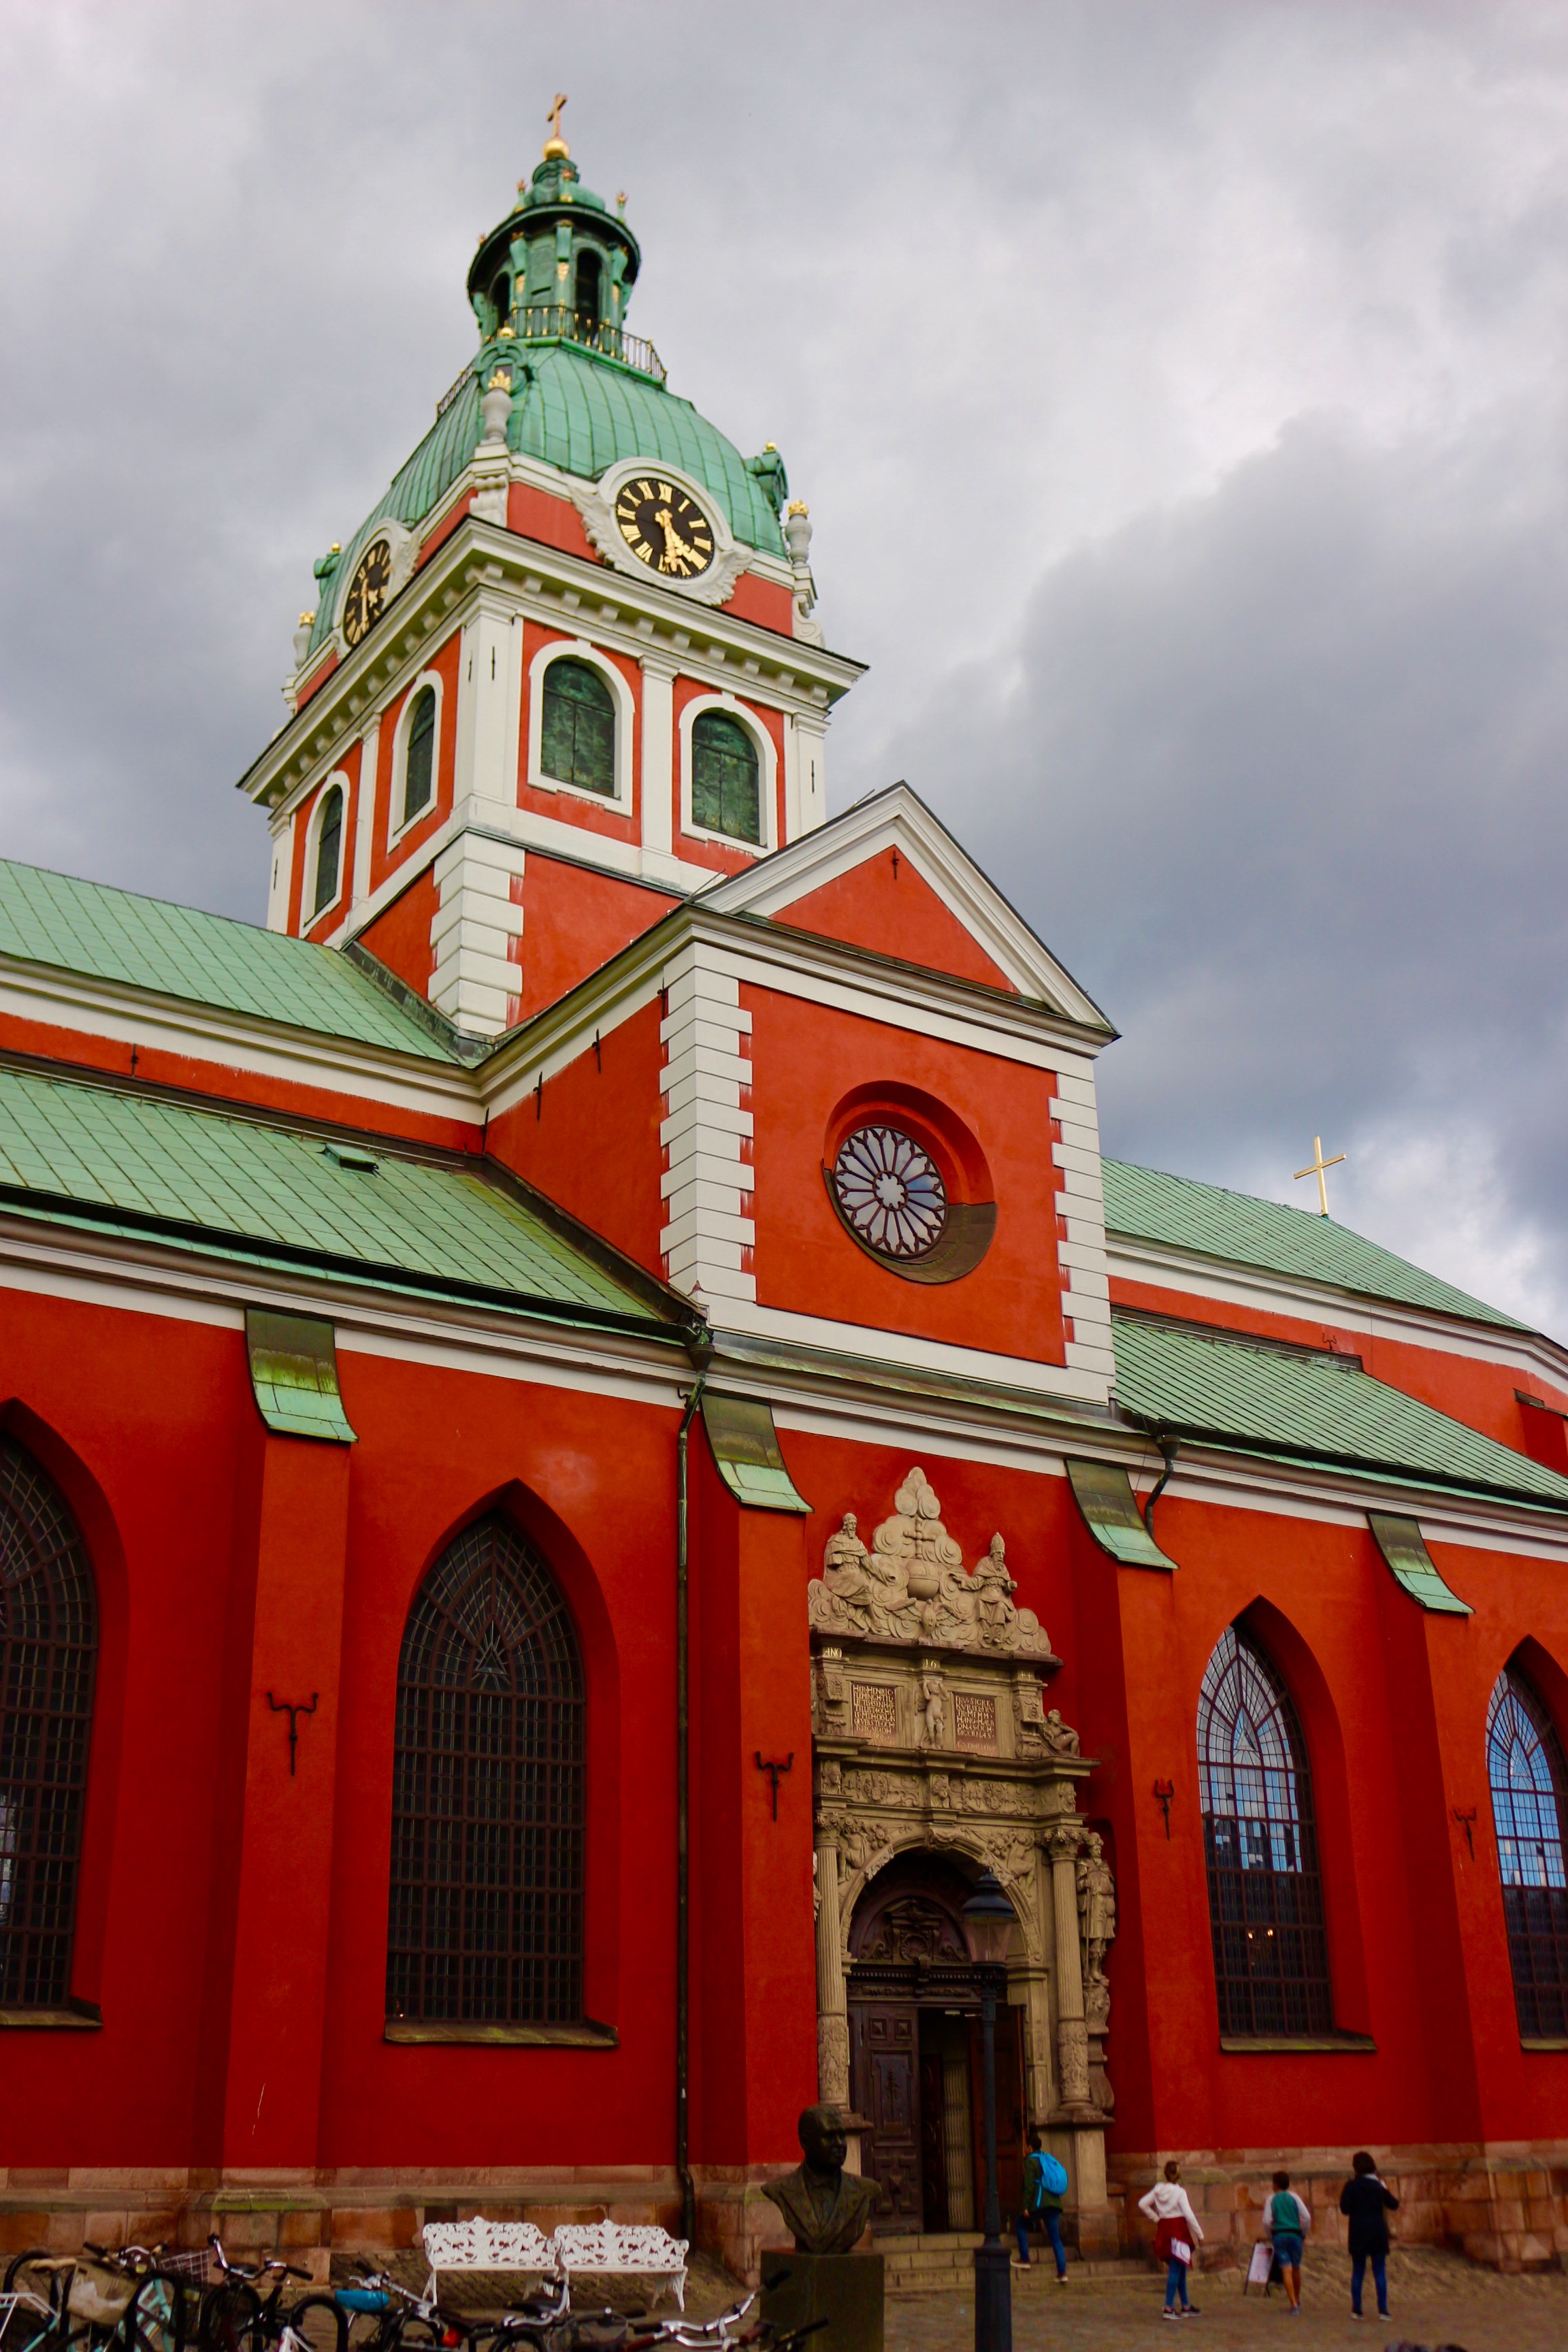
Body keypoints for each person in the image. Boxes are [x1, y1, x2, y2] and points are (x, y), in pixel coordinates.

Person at [1139, 2159, 1203, 2319]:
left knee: (1180, 2268)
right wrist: (1200, 2234)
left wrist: (1156, 2218)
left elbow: (1142, 2204)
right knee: (1176, 2269)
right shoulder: (1180, 2192)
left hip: (1165, 2229)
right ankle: (1168, 2307)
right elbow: (1189, 2215)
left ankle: (1186, 2305)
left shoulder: (1158, 2189)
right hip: (1179, 2230)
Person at [1339, 2150, 1399, 2321]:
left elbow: (1345, 2209)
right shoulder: (1378, 2186)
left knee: (1358, 2271)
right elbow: (1394, 2204)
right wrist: (1384, 2188)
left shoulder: (1351, 2186)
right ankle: (1383, 2310)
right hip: (1377, 2233)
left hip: (1358, 2233)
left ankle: (1357, 2309)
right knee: (1380, 2272)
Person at [1015, 2127, 1068, 2282]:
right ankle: (1062, 2273)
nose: (1025, 2149)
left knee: (1020, 2224)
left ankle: (1025, 2259)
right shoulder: (1047, 2158)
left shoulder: (1031, 2161)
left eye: (1026, 2146)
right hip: (1054, 2204)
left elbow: (1029, 2186)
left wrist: (1025, 2207)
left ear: (1030, 2148)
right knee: (1055, 2238)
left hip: (1040, 2203)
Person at [1265, 2170, 1311, 2315]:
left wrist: (1270, 2235)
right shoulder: (1294, 2197)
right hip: (1295, 2235)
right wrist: (1304, 2233)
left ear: (1275, 2184)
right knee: (1296, 2268)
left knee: (1286, 2269)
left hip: (1279, 2236)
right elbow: (1306, 2218)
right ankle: (1297, 2297)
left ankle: (1293, 2304)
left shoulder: (1271, 2199)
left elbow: (1266, 2221)